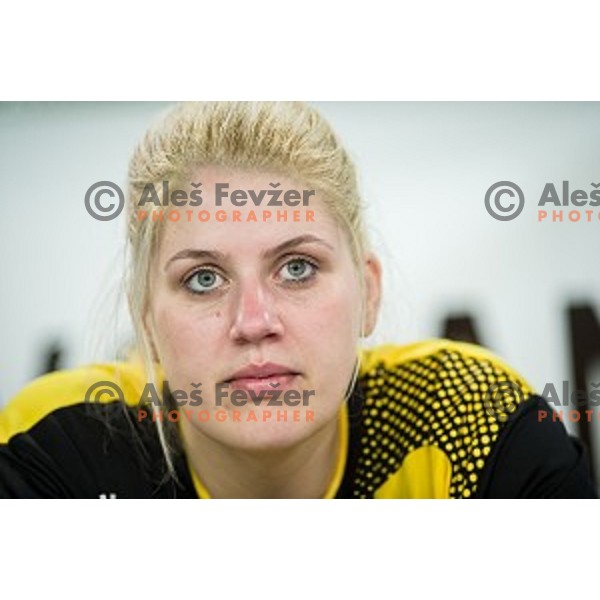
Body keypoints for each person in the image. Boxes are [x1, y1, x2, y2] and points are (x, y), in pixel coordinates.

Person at [0, 101, 596, 498]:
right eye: (204, 279)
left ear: (368, 293)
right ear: (146, 323)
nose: (253, 322)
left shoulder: (473, 424)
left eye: (298, 267)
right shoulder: (56, 447)